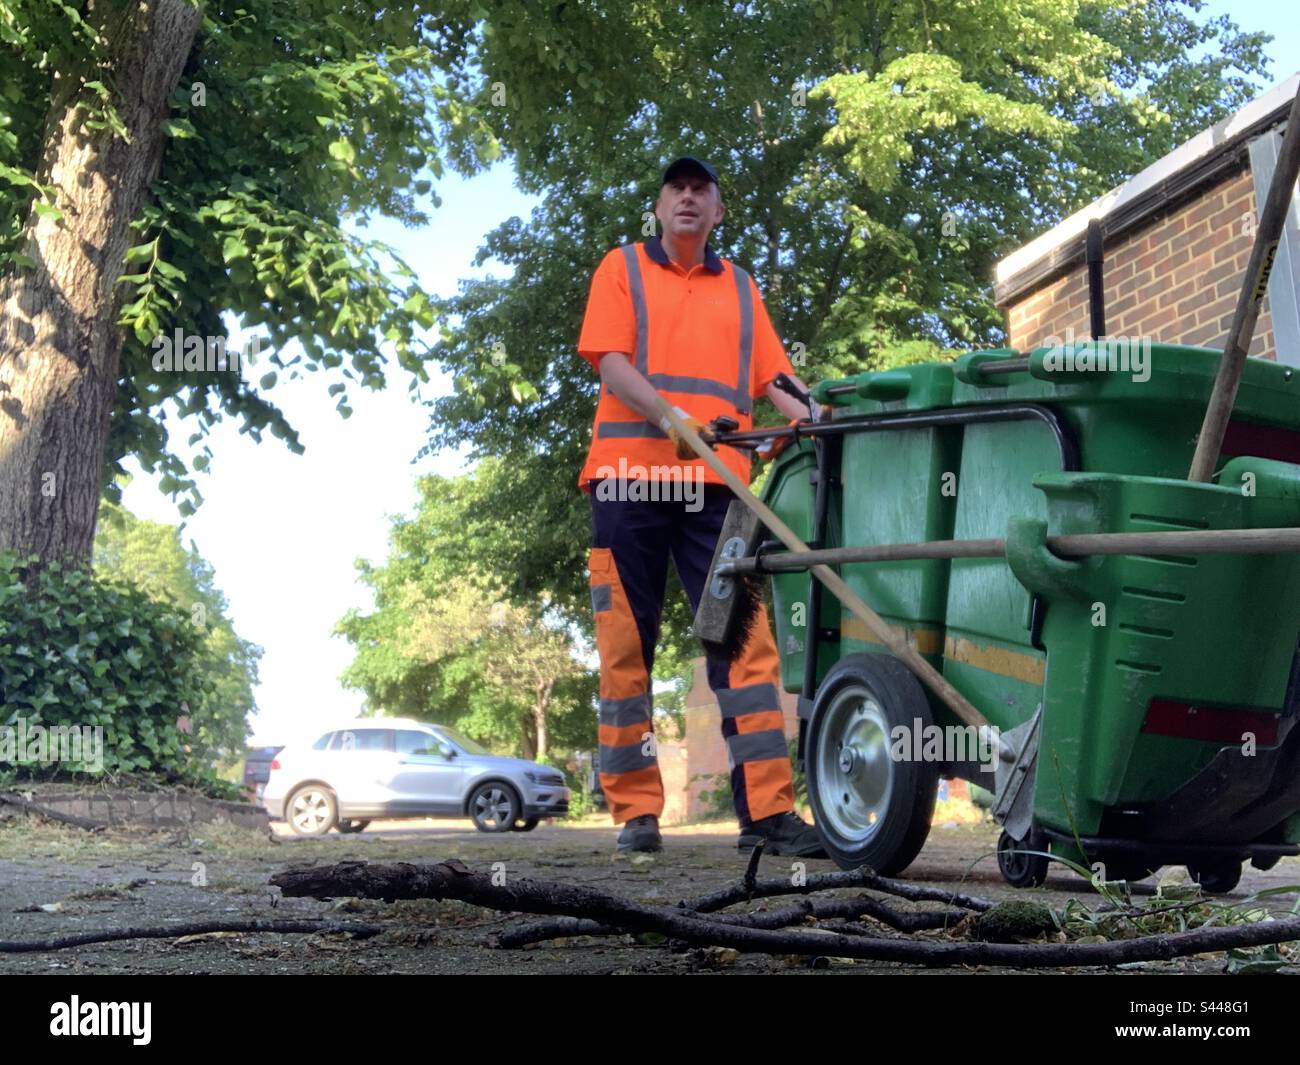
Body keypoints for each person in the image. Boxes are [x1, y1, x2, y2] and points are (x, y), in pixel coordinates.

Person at [577, 156, 826, 858]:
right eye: (675, 189)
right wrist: (669, 416)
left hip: (719, 490)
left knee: (743, 644)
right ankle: (636, 811)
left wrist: (814, 414)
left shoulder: (742, 289)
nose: (687, 198)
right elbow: (611, 362)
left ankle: (769, 812)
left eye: (701, 190)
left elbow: (778, 379)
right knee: (627, 645)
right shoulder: (621, 269)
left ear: (717, 212)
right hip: (630, 480)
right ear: (658, 208)